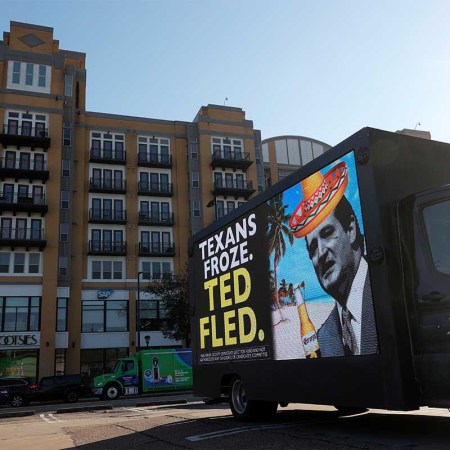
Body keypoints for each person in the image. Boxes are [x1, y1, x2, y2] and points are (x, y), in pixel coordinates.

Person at [289, 161, 378, 357]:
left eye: (327, 233)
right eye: (312, 248)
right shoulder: (323, 337)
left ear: (351, 229)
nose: (320, 253)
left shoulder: (384, 292)